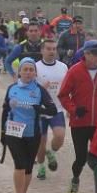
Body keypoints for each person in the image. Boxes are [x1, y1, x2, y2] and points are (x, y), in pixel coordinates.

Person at [58, 39, 97, 193]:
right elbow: (63, 95)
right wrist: (74, 110)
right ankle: (75, 180)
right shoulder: (75, 71)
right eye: (95, 54)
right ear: (86, 54)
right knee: (81, 158)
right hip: (79, 122)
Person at [1, 59, 57, 193]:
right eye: (24, 69)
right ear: (19, 72)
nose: (27, 72)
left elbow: (52, 110)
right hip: (13, 132)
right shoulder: (12, 88)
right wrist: (2, 133)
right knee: (19, 164)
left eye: (31, 70)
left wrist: (39, 109)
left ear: (35, 73)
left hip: (33, 133)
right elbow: (5, 111)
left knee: (28, 167)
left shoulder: (39, 90)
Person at [33, 39, 69, 180]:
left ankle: (52, 152)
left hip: (57, 108)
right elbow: (28, 87)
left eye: (54, 49)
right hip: (40, 110)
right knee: (41, 142)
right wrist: (41, 90)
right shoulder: (35, 67)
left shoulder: (63, 67)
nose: (52, 51)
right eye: (48, 48)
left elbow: (68, 87)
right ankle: (41, 167)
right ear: (42, 50)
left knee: (60, 136)